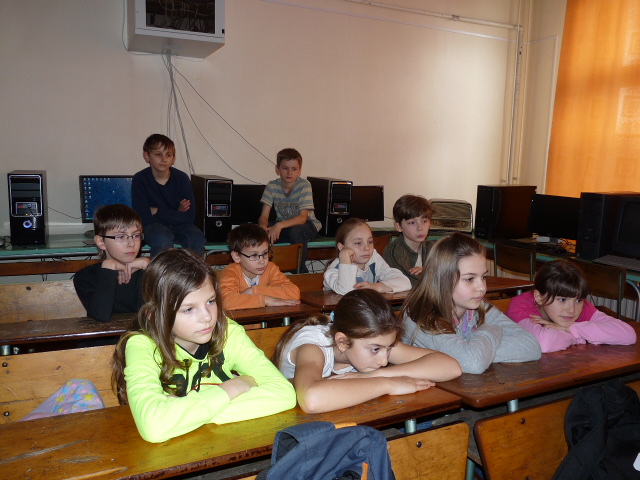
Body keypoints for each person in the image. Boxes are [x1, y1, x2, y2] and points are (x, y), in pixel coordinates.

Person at [112, 249, 296, 443]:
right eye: (189, 309)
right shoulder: (142, 345)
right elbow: (154, 427)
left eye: (210, 301)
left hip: (225, 443)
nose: (207, 317)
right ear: (155, 315)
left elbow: (284, 394)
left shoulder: (229, 333)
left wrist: (185, 417)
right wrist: (232, 388)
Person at [273, 289, 462, 413]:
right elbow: (311, 400)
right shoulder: (313, 347)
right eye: (375, 350)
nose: (384, 360)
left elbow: (450, 367)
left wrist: (377, 374)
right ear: (342, 342)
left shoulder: (375, 340)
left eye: (388, 348)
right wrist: (388, 384)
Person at [401, 232, 541, 374]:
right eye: (469, 279)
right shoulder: (422, 318)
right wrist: (490, 330)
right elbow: (473, 363)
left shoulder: (479, 307)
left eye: (484, 277)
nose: (482, 288)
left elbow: (532, 346)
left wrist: (477, 352)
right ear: (443, 279)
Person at [505, 260, 637, 353]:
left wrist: (572, 328)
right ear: (539, 297)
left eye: (578, 300)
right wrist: (578, 337)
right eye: (562, 299)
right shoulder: (520, 306)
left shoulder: (582, 306)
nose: (572, 310)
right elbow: (543, 343)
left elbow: (628, 334)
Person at [131, 133, 206, 257]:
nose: (164, 159)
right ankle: (160, 270)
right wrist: (176, 213)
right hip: (152, 226)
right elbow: (143, 217)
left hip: (180, 226)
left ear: (173, 158)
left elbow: (189, 218)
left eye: (168, 155)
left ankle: (188, 269)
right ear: (147, 156)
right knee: (163, 238)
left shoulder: (182, 179)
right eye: (158, 154)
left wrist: (157, 211)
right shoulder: (140, 179)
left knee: (196, 238)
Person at [73, 204, 149, 323]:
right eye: (121, 237)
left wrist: (150, 268)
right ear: (101, 242)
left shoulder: (146, 270)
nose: (131, 243)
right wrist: (108, 268)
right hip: (106, 335)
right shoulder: (86, 276)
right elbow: (101, 315)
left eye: (136, 235)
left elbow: (167, 311)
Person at [258, 148, 322, 273]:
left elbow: (303, 218)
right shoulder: (272, 186)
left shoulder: (304, 185)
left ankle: (299, 272)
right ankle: (266, 272)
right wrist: (263, 226)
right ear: (277, 169)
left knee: (296, 232)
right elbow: (264, 216)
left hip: (307, 225)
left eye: (294, 169)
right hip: (285, 225)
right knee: (260, 232)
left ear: (300, 171)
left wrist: (279, 225)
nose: (289, 173)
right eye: (285, 168)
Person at [218, 223, 301, 310]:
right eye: (254, 255)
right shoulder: (231, 272)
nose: (262, 261)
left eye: (265, 253)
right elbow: (226, 301)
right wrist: (266, 300)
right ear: (237, 257)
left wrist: (253, 291)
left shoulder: (270, 268)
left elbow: (294, 293)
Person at [323, 218, 411, 295]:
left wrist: (376, 287)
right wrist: (344, 257)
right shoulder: (334, 269)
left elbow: (405, 282)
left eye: (370, 242)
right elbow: (348, 292)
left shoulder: (373, 259)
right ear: (341, 247)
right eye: (358, 243)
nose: (367, 248)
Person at [383, 194, 435, 287]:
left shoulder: (432, 248)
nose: (420, 228)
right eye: (412, 223)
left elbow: (453, 273)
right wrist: (431, 272)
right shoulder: (393, 251)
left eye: (424, 221)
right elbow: (408, 282)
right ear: (399, 227)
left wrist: (428, 270)